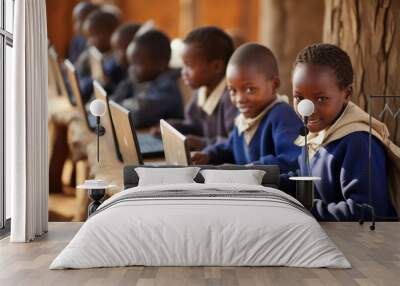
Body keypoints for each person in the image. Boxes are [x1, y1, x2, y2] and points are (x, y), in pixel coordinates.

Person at [280, 43, 399, 221]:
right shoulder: (318, 135)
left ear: (347, 93)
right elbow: (308, 180)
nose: (307, 109)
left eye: (321, 98)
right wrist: (267, 181)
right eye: (299, 98)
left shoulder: (358, 142)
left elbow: (367, 212)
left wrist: (301, 210)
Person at [191, 43, 302, 172]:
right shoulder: (243, 118)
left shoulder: (282, 115)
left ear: (274, 85)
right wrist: (209, 155)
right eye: (232, 90)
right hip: (247, 188)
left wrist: (248, 170)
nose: (240, 99)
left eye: (250, 89)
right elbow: (230, 147)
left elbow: (292, 159)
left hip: (273, 191)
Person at [164, 26, 237, 150]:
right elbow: (195, 127)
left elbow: (235, 143)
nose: (183, 72)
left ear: (216, 67)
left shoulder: (231, 98)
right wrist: (169, 127)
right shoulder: (202, 91)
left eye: (189, 66)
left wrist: (202, 143)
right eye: (183, 65)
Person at [110, 30, 184, 128]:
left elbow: (139, 113)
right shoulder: (151, 79)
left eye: (137, 64)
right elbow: (118, 96)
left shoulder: (169, 86)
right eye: (131, 63)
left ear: (160, 64)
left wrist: (114, 106)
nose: (132, 69)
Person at [75, 9, 120, 103]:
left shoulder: (115, 62)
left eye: (92, 36)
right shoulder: (95, 54)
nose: (89, 41)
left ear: (108, 34)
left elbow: (83, 90)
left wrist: (95, 78)